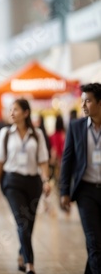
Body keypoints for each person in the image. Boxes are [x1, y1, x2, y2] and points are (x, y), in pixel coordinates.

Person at [0, 98, 50, 274]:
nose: (11, 113)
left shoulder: (37, 134)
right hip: (12, 183)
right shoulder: (5, 133)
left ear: (26, 113)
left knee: (30, 224)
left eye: (15, 109)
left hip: (33, 183)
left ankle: (20, 253)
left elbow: (43, 161)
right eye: (10, 109)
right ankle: (29, 263)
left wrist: (46, 181)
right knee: (22, 223)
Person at [60, 83, 101, 274]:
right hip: (86, 192)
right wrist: (64, 192)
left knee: (98, 245)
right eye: (82, 100)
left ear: (100, 103)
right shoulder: (76, 127)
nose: (83, 105)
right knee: (94, 242)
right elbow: (67, 161)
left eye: (88, 101)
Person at [49, 114, 66, 183]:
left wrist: (53, 159)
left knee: (56, 177)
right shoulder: (64, 134)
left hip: (56, 159)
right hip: (63, 159)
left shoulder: (53, 135)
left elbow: (54, 148)